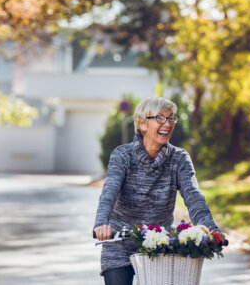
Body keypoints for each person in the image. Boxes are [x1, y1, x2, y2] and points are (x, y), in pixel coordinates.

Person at [93, 96, 222, 285]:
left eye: (171, 119)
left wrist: (212, 229)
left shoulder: (179, 159)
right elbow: (108, 194)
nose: (168, 124)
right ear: (143, 124)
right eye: (160, 118)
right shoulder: (122, 156)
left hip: (159, 244)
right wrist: (101, 223)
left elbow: (194, 196)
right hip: (119, 242)